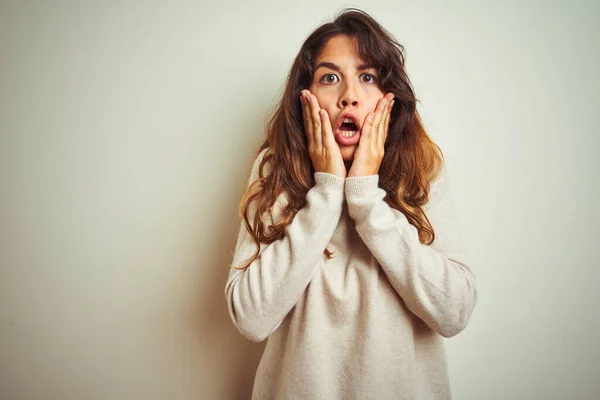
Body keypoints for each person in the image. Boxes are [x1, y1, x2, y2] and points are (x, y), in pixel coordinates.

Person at [224, 8, 477, 400]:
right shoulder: (274, 171)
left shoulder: (421, 169)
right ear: (304, 98)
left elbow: (454, 312)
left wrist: (364, 198)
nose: (349, 97)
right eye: (329, 78)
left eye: (367, 77)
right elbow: (251, 317)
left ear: (388, 97)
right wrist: (326, 193)